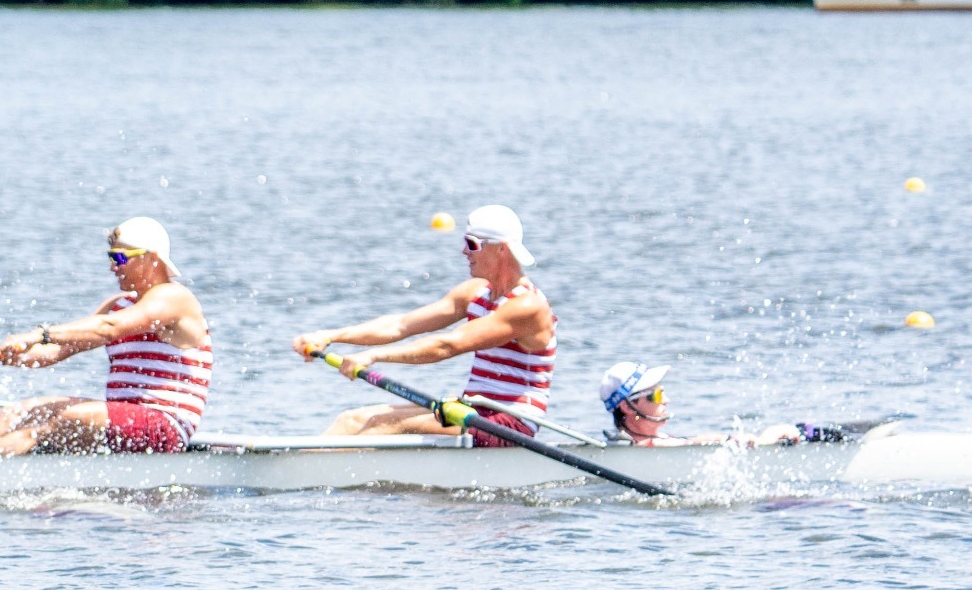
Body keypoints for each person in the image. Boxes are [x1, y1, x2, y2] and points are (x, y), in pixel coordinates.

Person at [292, 204, 555, 443]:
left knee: (383, 426)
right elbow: (401, 325)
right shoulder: (475, 293)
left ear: (501, 249)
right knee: (351, 419)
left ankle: (321, 485)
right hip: (473, 409)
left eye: (472, 244)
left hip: (509, 424)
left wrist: (371, 357)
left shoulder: (527, 306)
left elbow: (447, 345)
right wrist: (329, 335)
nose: (464, 251)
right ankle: (299, 471)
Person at [0, 217, 211, 455]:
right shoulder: (119, 305)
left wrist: (40, 334)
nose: (113, 266)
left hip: (165, 426)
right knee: (15, 412)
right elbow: (53, 352)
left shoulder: (174, 297)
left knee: (64, 419)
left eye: (121, 257)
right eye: (111, 257)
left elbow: (108, 327)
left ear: (153, 259)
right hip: (123, 421)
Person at [599, 361, 838, 447]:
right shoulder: (643, 449)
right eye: (656, 395)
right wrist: (762, 440)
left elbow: (690, 442)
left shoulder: (651, 443)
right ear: (628, 407)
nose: (667, 400)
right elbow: (691, 445)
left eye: (663, 392)